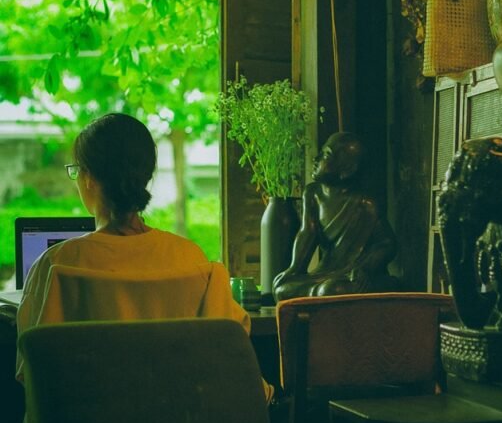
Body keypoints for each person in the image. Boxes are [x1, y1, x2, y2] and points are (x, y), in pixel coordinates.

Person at [15, 113, 268, 393]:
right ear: (145, 176)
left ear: (88, 178)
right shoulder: (191, 259)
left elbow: (32, 373)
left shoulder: (54, 265)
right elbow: (227, 352)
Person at [273, 131, 397, 300]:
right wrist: (295, 268)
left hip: (354, 275)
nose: (316, 159)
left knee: (333, 290)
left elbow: (386, 243)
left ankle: (319, 293)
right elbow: (307, 233)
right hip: (326, 273)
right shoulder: (313, 194)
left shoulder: (364, 204)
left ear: (347, 169)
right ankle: (316, 292)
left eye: (326, 155)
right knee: (281, 289)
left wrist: (365, 269)